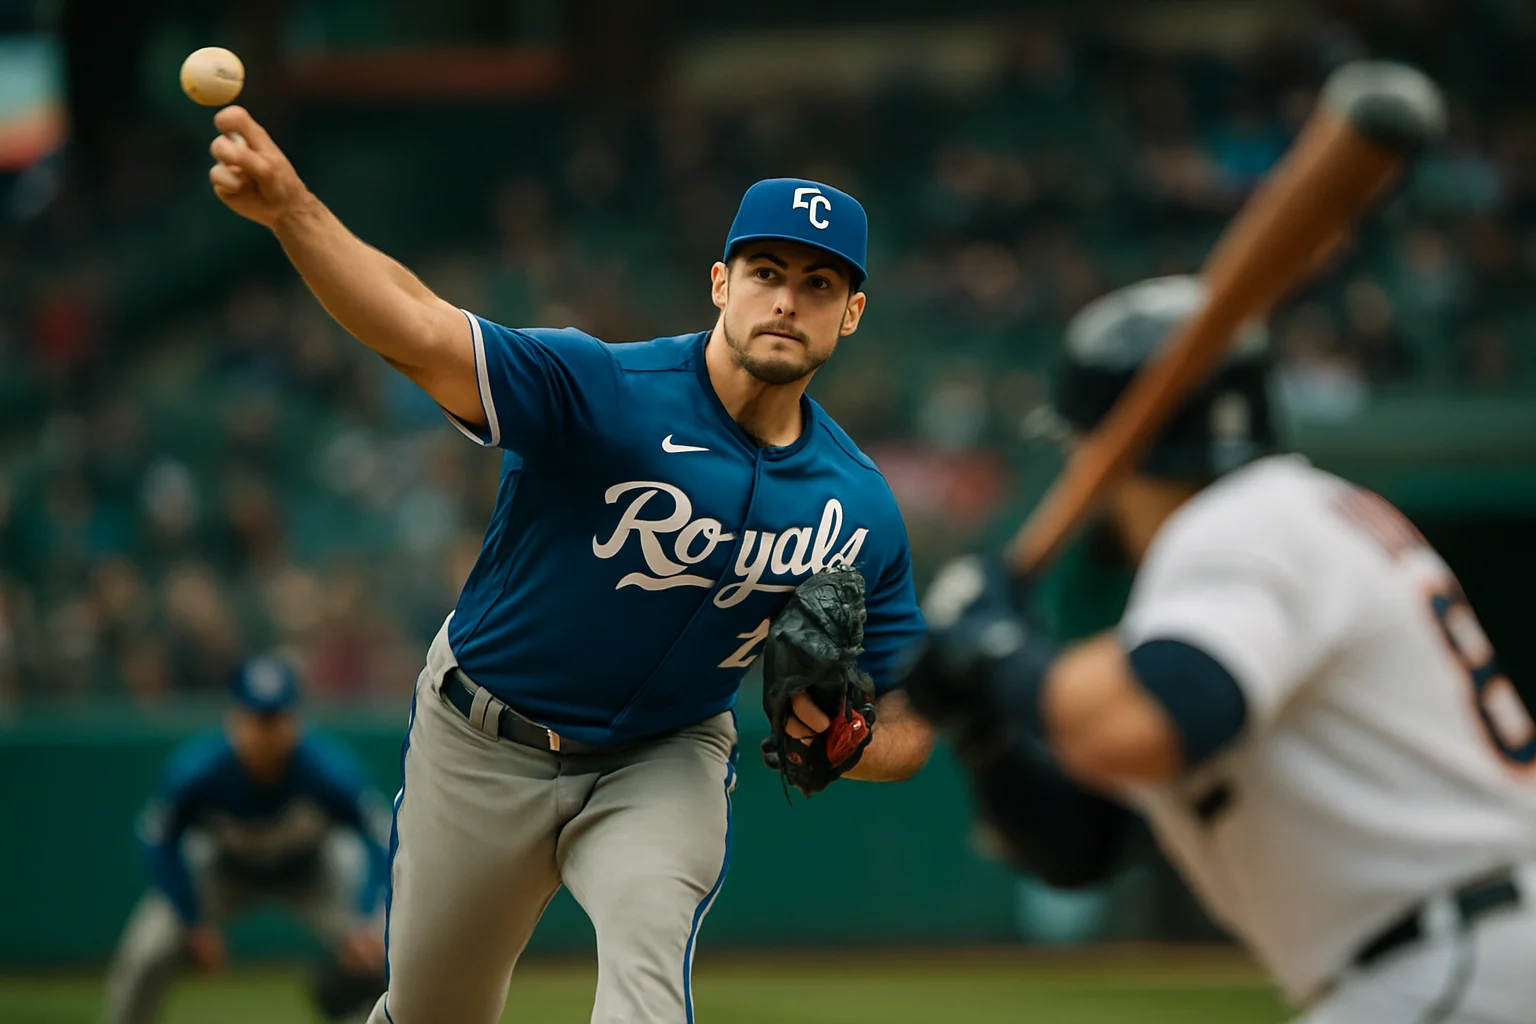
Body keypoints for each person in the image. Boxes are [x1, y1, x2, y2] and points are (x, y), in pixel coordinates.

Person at [202, 106, 932, 1024]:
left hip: (662, 759)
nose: (788, 299)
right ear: (721, 282)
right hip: (480, 741)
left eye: (820, 283)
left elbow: (910, 709)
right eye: (767, 272)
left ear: (852, 312)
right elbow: (421, 331)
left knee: (646, 984)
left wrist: (851, 742)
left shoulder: (858, 504)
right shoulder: (604, 390)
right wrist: (292, 212)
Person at [904, 275, 1536, 1023]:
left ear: (1120, 447)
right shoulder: (1282, 525)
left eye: (1080, 447)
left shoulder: (1241, 525)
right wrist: (987, 730)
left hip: (1454, 956)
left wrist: (993, 651)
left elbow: (1150, 720)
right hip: (1455, 955)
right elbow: (1084, 844)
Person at [101, 655, 390, 1024]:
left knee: (382, 951)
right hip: (224, 870)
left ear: (295, 721)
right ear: (235, 720)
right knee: (147, 951)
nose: (267, 732)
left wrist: (367, 917)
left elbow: (378, 835)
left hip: (312, 869)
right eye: (257, 719)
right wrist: (191, 919)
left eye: (276, 719)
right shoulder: (200, 772)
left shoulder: (327, 770)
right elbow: (157, 841)